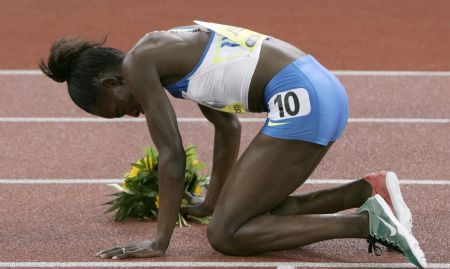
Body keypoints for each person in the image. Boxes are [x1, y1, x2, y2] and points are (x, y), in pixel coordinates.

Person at [39, 21, 426, 268]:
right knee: (250, 211)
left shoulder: (138, 64)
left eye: (117, 112)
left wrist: (160, 241)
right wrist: (210, 202)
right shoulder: (167, 50)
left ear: (112, 83)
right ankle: (367, 190)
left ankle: (365, 223)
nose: (130, 115)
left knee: (227, 235)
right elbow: (227, 128)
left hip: (301, 99)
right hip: (321, 90)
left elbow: (171, 154)